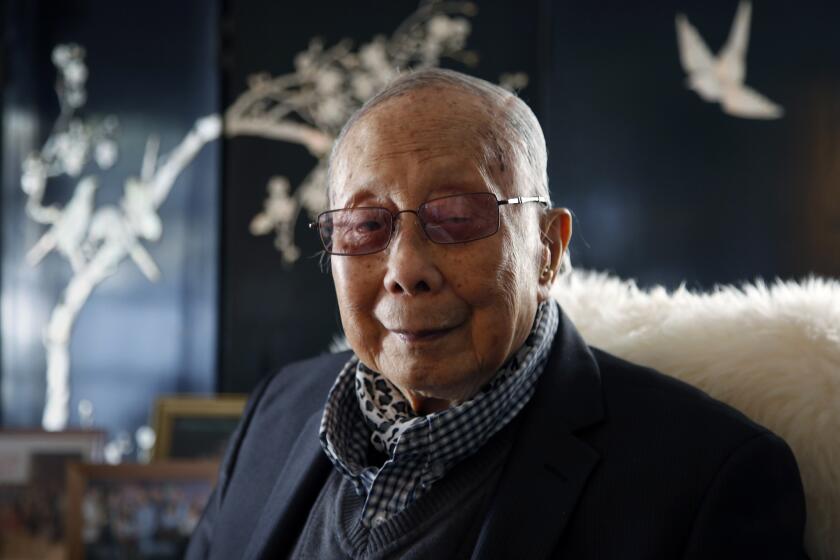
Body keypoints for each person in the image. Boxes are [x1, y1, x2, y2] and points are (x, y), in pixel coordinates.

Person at [186, 68, 808, 559]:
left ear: (547, 249)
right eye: (367, 225)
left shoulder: (707, 479)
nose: (407, 269)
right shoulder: (275, 411)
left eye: (457, 218)